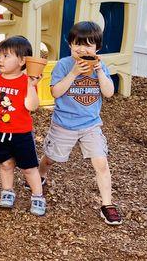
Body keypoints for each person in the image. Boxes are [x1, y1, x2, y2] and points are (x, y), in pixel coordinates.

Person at [37, 21, 121, 225]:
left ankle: (107, 204)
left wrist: (100, 71)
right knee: (50, 158)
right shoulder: (64, 65)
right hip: (63, 124)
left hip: (91, 125)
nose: (83, 49)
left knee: (101, 162)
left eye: (89, 45)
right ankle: (40, 174)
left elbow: (109, 93)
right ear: (70, 45)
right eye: (78, 44)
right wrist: (74, 73)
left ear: (97, 49)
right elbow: (55, 92)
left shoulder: (101, 67)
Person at [0, 35, 45, 216]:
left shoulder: (26, 82)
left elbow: (32, 106)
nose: (0, 60)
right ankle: (7, 191)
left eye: (6, 56)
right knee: (5, 164)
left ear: (22, 60)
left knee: (29, 167)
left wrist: (31, 86)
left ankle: (38, 195)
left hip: (21, 133)